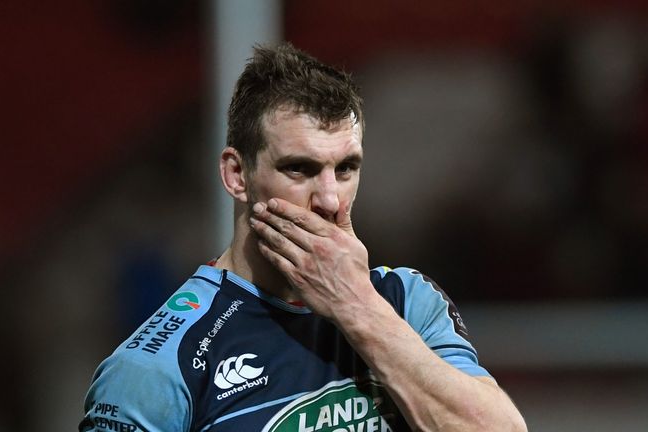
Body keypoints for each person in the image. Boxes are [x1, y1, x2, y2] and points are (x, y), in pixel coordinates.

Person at [79, 43, 527, 432]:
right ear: (237, 175)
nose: (330, 200)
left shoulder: (407, 301)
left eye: (346, 168)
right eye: (300, 168)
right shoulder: (156, 366)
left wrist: (356, 306)